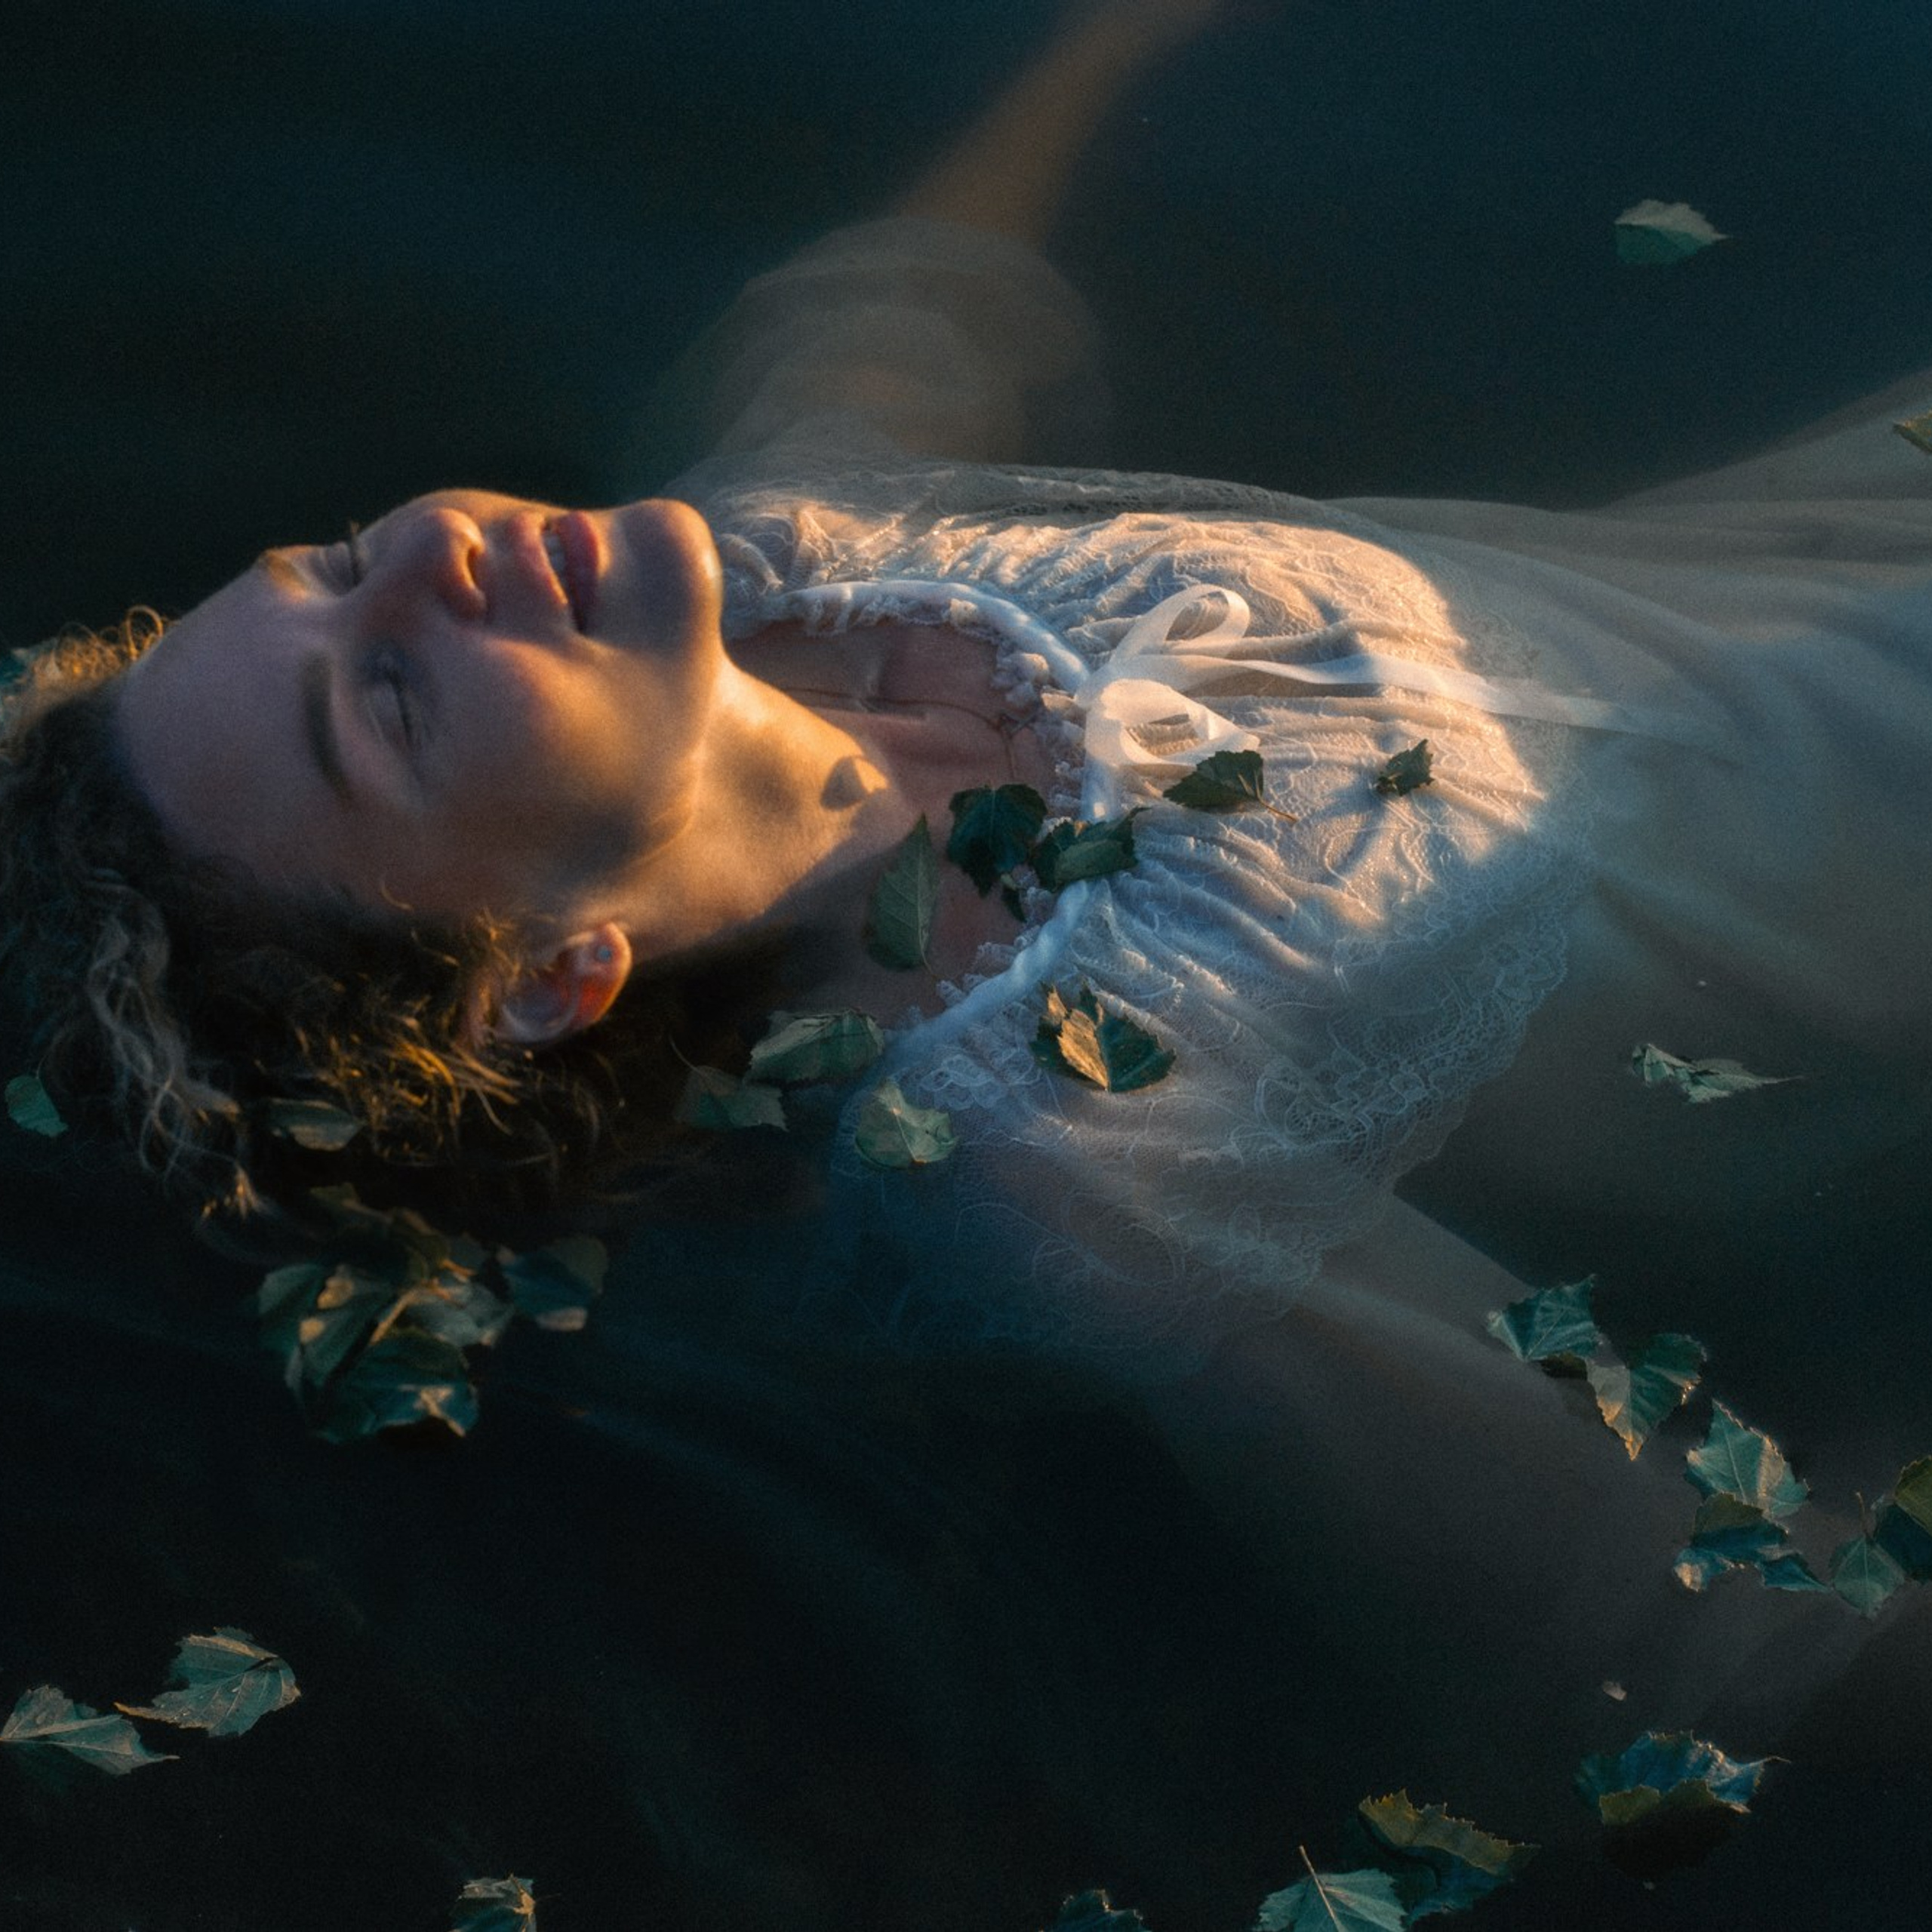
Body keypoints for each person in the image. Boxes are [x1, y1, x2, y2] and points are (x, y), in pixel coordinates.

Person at [3, 0, 1928, 1828]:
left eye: (332, 567)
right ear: (544, 972)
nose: (427, 544)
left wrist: (1110, 38)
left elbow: (900, 300)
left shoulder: (787, 552)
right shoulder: (1081, 1167)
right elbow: (1699, 1625)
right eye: (390, 698)